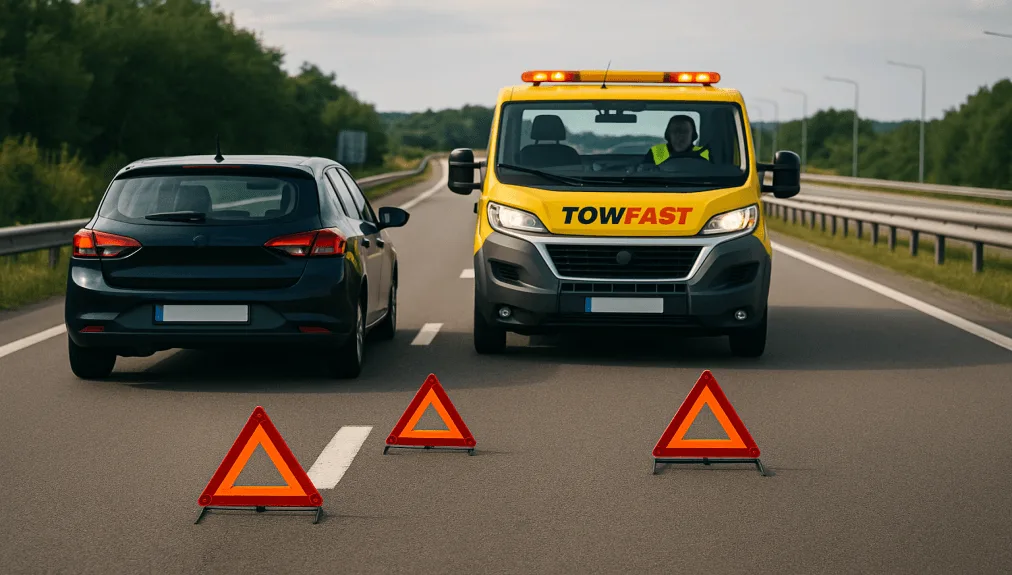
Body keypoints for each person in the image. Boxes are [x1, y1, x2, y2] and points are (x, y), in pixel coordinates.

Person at [644, 114, 710, 166]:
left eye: (684, 131)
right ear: (668, 134)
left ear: (693, 135)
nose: (679, 135)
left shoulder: (704, 153)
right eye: (675, 131)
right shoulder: (655, 152)